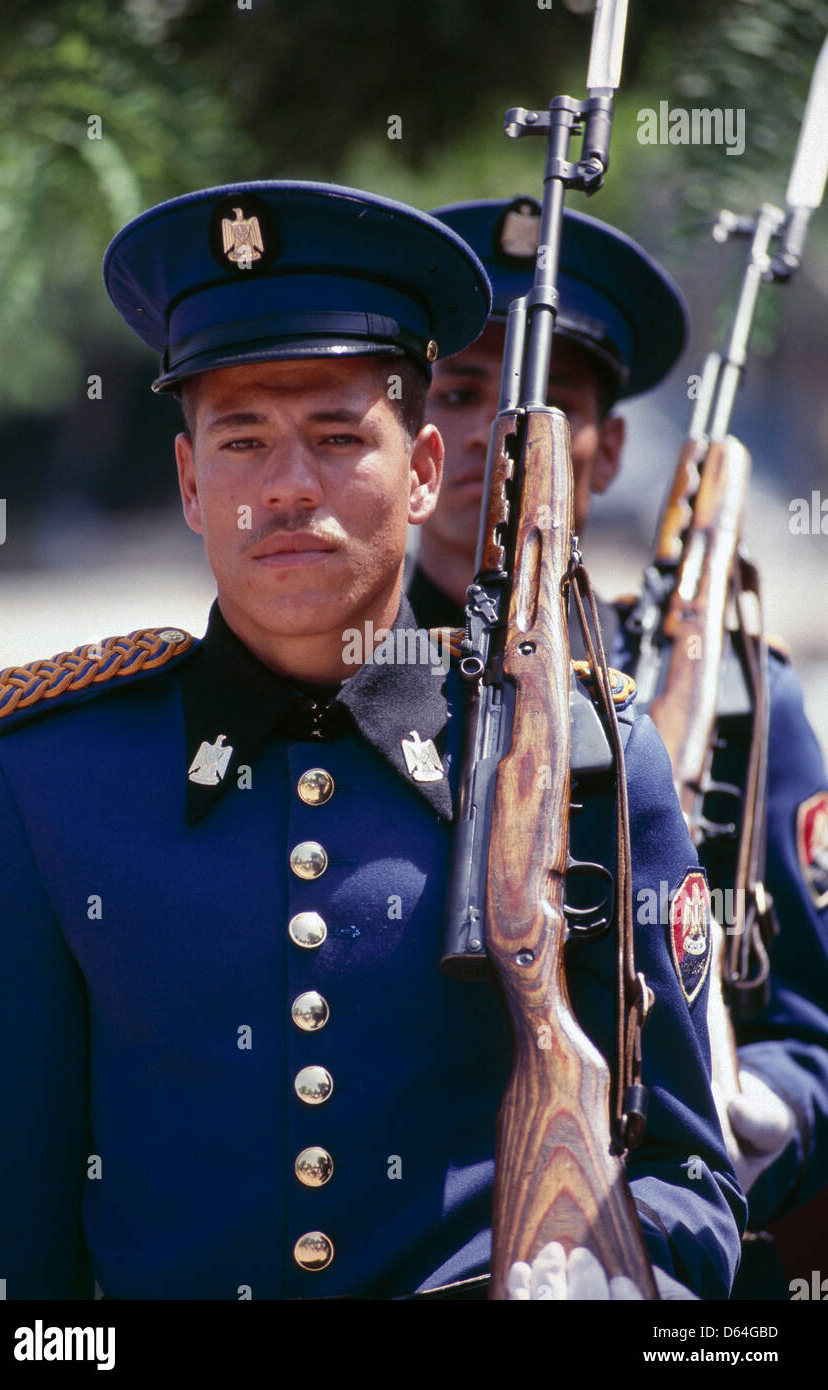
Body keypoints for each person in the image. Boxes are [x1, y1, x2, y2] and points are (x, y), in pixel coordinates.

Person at [0, 180, 744, 1301]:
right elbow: (4, 1237)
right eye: (242, 440)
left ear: (425, 471)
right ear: (190, 482)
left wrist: (626, 1280)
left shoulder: (575, 755)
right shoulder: (43, 777)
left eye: (339, 436)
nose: (287, 487)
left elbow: (690, 1176)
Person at [414, 196, 828, 1271]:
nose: (484, 437)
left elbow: (816, 1033)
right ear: (409, 436)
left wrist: (756, 1109)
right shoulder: (334, 688)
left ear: (600, 451)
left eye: (537, 406)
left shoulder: (736, 702)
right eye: (457, 393)